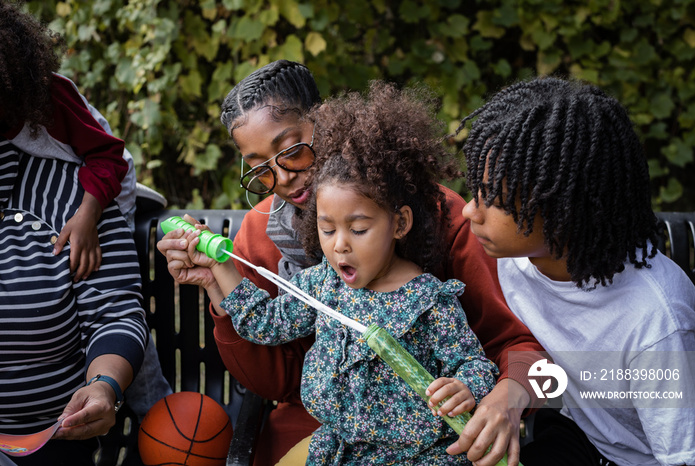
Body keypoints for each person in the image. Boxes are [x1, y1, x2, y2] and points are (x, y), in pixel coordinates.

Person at [158, 60, 544, 466]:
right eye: (259, 168)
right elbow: (273, 376)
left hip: (427, 442)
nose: (283, 177)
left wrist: (496, 393)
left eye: (290, 150)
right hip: (330, 434)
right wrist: (217, 286)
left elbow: (506, 346)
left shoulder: (438, 216)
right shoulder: (263, 237)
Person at [457, 76, 695, 466]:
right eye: (475, 191)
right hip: (576, 436)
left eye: (495, 199)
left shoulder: (657, 321)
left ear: (562, 207)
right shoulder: (510, 258)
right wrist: (517, 390)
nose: (471, 211)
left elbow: (683, 457)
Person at [0, 0, 171, 424]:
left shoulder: (50, 97)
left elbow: (109, 158)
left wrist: (88, 215)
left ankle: (149, 411)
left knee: (111, 291)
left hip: (107, 185)